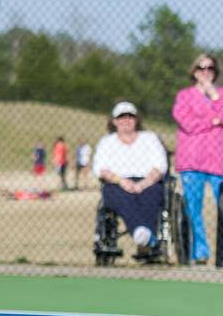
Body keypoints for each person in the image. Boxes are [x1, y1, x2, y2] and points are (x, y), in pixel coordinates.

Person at [92, 101, 168, 260]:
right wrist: (121, 181)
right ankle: (144, 236)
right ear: (114, 121)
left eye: (130, 117)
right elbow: (100, 169)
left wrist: (143, 183)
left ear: (136, 120)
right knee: (121, 197)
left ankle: (143, 237)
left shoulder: (150, 138)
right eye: (121, 117)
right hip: (117, 182)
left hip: (148, 181)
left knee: (151, 196)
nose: (126, 120)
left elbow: (160, 165)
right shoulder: (107, 142)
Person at [171, 53, 223, 266]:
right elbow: (186, 123)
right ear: (194, 71)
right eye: (201, 68)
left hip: (218, 161)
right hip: (191, 161)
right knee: (194, 208)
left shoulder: (220, 94)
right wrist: (214, 120)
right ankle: (200, 251)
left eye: (210, 68)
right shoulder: (184, 96)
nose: (206, 71)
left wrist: (213, 95)